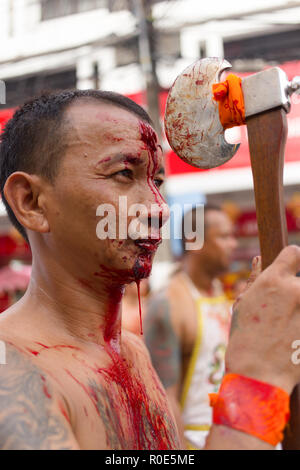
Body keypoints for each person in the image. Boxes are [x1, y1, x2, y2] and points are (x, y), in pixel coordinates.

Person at [0, 89, 300, 450]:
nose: (159, 208)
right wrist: (255, 379)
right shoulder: (11, 371)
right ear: (31, 202)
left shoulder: (132, 352)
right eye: (124, 173)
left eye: (156, 181)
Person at [144, 205, 237, 448]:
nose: (234, 244)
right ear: (194, 240)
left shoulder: (218, 291)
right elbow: (165, 398)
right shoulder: (168, 304)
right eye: (224, 236)